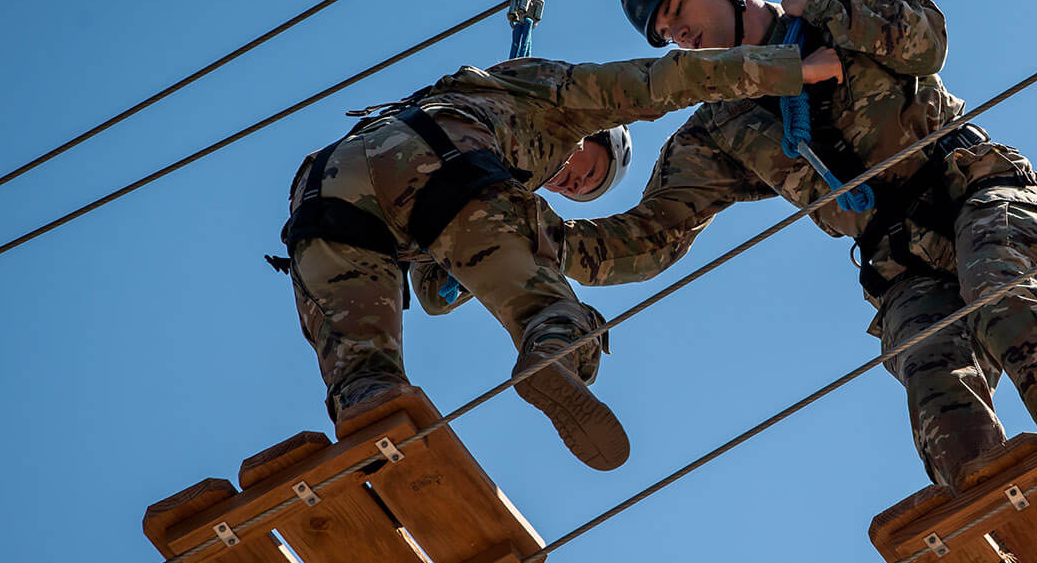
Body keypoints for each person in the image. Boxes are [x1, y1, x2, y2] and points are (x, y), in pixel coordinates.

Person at [560, 0, 1037, 489]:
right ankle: (1002, 525)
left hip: (972, 190)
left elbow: (927, 42)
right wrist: (529, 244)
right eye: (666, 34)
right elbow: (652, 236)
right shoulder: (719, 128)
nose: (679, 34)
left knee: (998, 290)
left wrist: (824, 3)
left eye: (677, 11)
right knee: (934, 380)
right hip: (901, 262)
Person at [280, 41, 840, 470]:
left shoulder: (487, 133)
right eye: (586, 168)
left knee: (366, 379)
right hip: (440, 157)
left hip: (325, 186)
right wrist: (793, 67)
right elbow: (664, 79)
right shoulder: (554, 92)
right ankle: (554, 352)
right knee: (550, 311)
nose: (570, 180)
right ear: (595, 133)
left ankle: (375, 442)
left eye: (578, 190)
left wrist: (482, 263)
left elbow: (432, 292)